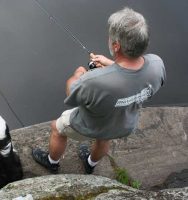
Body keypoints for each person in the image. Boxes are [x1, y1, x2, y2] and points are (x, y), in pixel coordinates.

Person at [32, 7, 166, 174]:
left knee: (57, 128)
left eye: (111, 37)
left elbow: (71, 93)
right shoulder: (156, 64)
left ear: (116, 46)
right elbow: (135, 75)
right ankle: (90, 163)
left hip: (90, 124)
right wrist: (112, 65)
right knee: (104, 138)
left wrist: (79, 74)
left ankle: (52, 162)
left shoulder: (94, 82)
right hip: (122, 124)